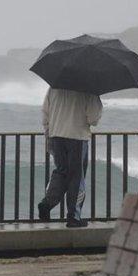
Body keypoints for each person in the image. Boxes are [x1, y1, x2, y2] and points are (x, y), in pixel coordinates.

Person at [37, 87, 102, 228]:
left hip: (56, 135)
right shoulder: (88, 88)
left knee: (61, 172)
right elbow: (93, 119)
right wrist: (99, 104)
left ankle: (47, 204)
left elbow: (45, 113)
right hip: (77, 137)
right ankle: (74, 216)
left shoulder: (53, 87)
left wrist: (48, 133)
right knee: (76, 177)